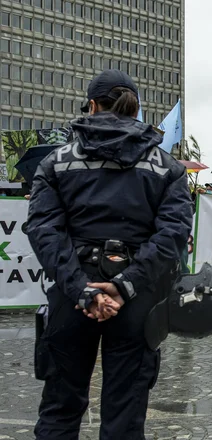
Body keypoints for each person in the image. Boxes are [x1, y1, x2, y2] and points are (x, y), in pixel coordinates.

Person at [27, 69, 192, 439]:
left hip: (72, 297)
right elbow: (173, 235)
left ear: (90, 105)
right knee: (125, 416)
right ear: (136, 110)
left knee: (60, 410)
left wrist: (83, 290)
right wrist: (124, 286)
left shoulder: (55, 162)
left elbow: (43, 231)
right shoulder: (167, 168)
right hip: (137, 302)